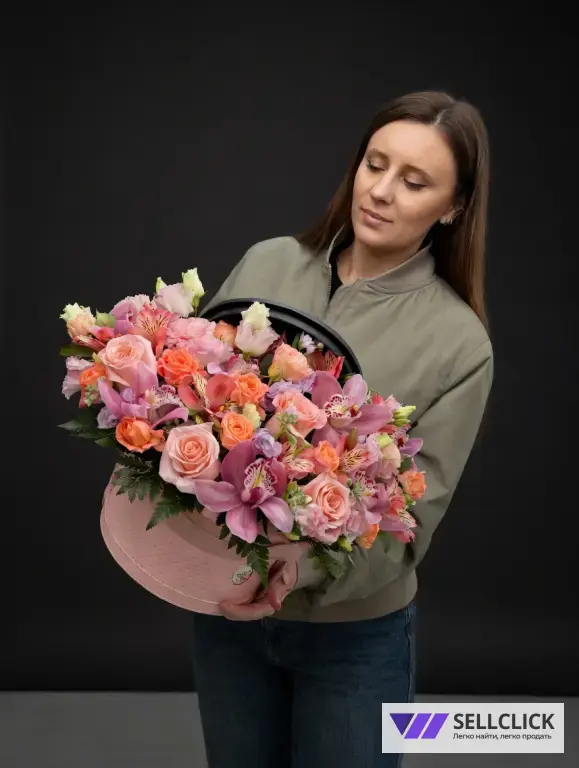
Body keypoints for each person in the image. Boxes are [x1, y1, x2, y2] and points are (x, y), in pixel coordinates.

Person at [191, 90, 494, 767]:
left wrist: (290, 574)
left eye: (414, 181)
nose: (380, 191)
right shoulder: (268, 263)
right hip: (227, 621)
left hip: (353, 640)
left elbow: (410, 518)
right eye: (374, 165)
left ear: (452, 207)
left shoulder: (459, 343)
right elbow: (192, 411)